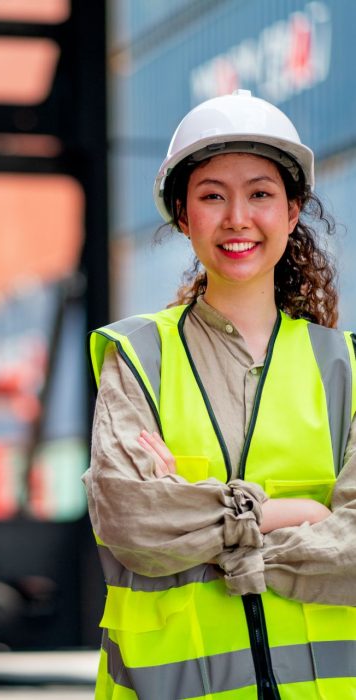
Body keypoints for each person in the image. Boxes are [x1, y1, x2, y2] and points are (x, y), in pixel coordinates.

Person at [84, 89, 356, 699]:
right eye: (213, 196)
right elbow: (133, 523)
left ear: (292, 212)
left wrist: (198, 520)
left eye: (260, 193)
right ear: (184, 216)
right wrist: (304, 514)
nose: (237, 218)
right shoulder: (139, 357)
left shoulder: (348, 366)